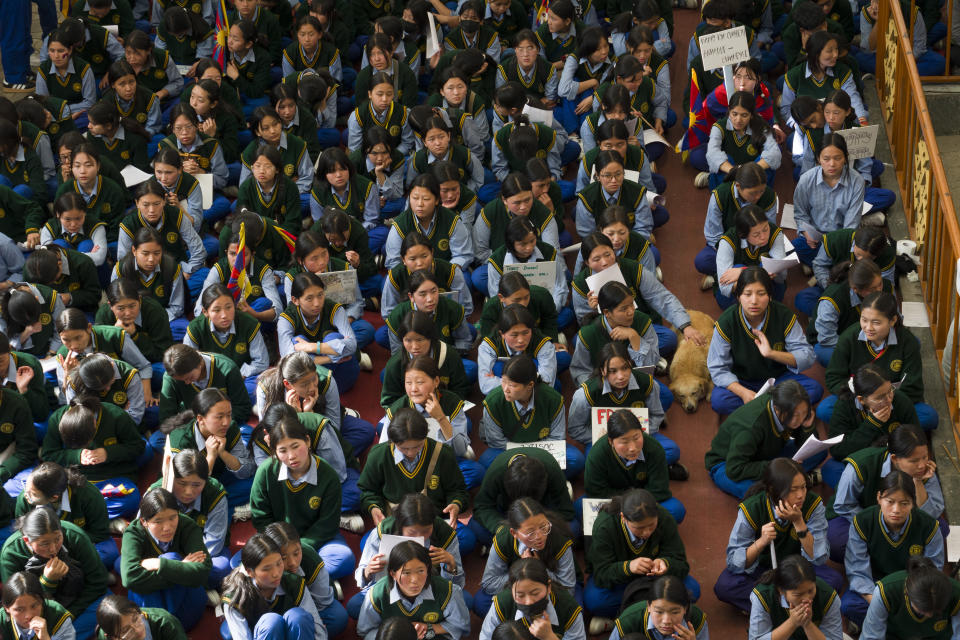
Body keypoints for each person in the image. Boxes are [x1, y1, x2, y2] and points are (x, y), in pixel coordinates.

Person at [715, 458, 842, 613]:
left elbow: (819, 557)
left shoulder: (813, 506)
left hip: (798, 570)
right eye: (793, 490)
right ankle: (790, 608)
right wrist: (761, 542)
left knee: (832, 581)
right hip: (763, 570)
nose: (801, 495)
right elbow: (733, 561)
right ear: (774, 491)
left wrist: (799, 523)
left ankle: (767, 607)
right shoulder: (752, 508)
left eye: (803, 487)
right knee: (726, 585)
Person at [249, 410, 355, 580]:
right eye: (282, 450)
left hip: (317, 541)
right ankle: (314, 580)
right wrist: (282, 550)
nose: (291, 456)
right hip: (278, 544)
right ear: (274, 451)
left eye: (296, 446)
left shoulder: (327, 475)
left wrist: (298, 550)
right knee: (240, 562)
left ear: (307, 441)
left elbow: (327, 524)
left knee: (343, 558)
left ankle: (289, 580)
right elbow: (261, 517)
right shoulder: (266, 471)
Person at [707, 266, 822, 415]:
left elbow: (807, 355)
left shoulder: (784, 315)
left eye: (761, 294)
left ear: (770, 296)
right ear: (738, 297)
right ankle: (778, 410)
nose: (754, 301)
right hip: (743, 381)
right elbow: (717, 368)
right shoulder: (726, 322)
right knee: (719, 400)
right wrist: (742, 393)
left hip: (779, 379)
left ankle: (758, 411)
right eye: (747, 294)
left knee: (813, 389)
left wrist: (772, 353)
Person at [358, 408, 472, 551]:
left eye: (418, 446)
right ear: (392, 442)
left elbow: (457, 490)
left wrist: (455, 504)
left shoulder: (442, 453)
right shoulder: (379, 455)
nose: (411, 453)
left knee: (467, 539)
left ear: (425, 436)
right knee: (366, 544)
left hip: (431, 522)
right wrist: (374, 507)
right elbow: (368, 491)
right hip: (396, 522)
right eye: (404, 448)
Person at [841, 470, 944, 627]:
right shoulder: (862, 522)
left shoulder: (929, 526)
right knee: (850, 605)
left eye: (904, 503)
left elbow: (933, 570)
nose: (896, 510)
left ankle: (888, 628)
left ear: (913, 503)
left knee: (937, 607)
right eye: (890, 501)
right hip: (875, 584)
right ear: (879, 498)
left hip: (913, 588)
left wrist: (912, 599)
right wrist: (877, 601)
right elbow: (857, 570)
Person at [822, 291, 936, 429]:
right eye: (864, 320)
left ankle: (867, 427)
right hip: (859, 401)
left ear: (893, 320)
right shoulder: (848, 338)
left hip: (892, 403)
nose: (868, 328)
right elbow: (834, 378)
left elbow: (913, 387)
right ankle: (887, 428)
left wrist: (884, 403)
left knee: (929, 416)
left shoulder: (908, 342)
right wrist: (865, 401)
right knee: (825, 409)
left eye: (876, 322)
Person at [828, 424, 943, 562]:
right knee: (836, 543)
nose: (922, 465)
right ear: (894, 459)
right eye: (914, 461)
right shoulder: (861, 465)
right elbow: (843, 505)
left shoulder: (923, 470)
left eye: (925, 457)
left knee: (940, 529)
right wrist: (877, 525)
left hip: (902, 517)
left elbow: (930, 515)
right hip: (860, 515)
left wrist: (918, 482)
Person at [585, 490, 697, 626]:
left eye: (651, 525)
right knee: (595, 601)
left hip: (656, 582)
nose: (647, 532)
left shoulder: (664, 518)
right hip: (622, 583)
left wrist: (665, 563)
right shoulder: (606, 526)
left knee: (693, 590)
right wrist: (628, 567)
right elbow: (601, 573)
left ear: (657, 515)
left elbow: (681, 563)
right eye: (639, 528)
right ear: (623, 518)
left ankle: (625, 616)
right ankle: (649, 615)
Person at [0, 506, 109, 640]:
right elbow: (16, 601)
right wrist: (47, 582)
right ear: (27, 540)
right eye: (44, 544)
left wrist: (67, 615)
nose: (53, 549)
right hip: (35, 610)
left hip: (79, 603)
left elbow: (97, 583)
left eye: (57, 539)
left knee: (108, 610)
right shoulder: (12, 553)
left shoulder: (74, 536)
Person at [351, 493, 466, 618]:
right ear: (401, 524)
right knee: (356, 606)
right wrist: (368, 571)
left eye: (426, 531)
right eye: (412, 532)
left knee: (464, 601)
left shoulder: (444, 533)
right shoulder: (384, 530)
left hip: (428, 590)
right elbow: (361, 577)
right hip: (390, 590)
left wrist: (451, 565)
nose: (419, 537)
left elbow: (456, 587)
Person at [705, 381, 817, 499]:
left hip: (767, 454)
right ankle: (791, 480)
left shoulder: (787, 409)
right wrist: (778, 467)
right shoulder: (750, 428)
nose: (800, 419)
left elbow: (803, 443)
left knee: (816, 452)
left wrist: (807, 427)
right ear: (777, 409)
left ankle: (787, 480)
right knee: (762, 496)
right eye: (795, 415)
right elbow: (735, 469)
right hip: (727, 464)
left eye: (804, 413)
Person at [478, 354, 585, 478]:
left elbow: (557, 438)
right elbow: (496, 442)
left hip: (544, 449)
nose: (506, 389)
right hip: (507, 449)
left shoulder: (553, 399)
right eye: (503, 381)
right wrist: (522, 457)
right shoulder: (493, 402)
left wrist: (531, 456)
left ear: (530, 385)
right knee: (486, 463)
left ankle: (538, 481)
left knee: (576, 459)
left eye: (512, 385)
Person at [119, 489, 211, 631]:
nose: (167, 527)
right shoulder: (134, 533)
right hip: (151, 603)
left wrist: (160, 564)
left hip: (186, 606)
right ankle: (165, 628)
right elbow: (129, 579)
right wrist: (180, 567)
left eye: (172, 518)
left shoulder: (187, 526)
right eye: (158, 521)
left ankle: (164, 629)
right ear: (144, 522)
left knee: (169, 558)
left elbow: (203, 571)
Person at [384, 356, 482, 488]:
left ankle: (428, 491)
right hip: (410, 464)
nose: (413, 389)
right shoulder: (397, 409)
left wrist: (441, 418)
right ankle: (437, 492)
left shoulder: (452, 403)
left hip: (443, 461)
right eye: (408, 383)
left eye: (419, 382)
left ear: (436, 381)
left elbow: (460, 450)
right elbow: (386, 453)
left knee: (476, 472)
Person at [41, 396, 144, 519]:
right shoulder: (58, 418)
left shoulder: (115, 415)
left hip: (112, 476)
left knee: (131, 499)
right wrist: (76, 456)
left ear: (95, 424)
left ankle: (81, 517)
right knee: (44, 493)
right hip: (75, 479)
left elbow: (138, 447)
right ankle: (99, 519)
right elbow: (48, 455)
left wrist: (107, 453)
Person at [256, 351, 375, 456]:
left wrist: (310, 415)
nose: (312, 387)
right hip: (288, 443)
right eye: (304, 384)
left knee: (366, 431)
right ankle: (332, 458)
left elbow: (334, 428)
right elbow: (270, 433)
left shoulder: (326, 380)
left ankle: (321, 459)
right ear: (287, 384)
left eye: (314, 379)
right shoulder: (265, 389)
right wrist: (296, 416)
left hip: (322, 422)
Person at [475, 498, 577, 617]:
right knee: (481, 604)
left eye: (543, 526)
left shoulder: (559, 539)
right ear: (514, 533)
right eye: (530, 532)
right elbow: (489, 582)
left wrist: (540, 571)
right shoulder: (503, 539)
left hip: (550, 590)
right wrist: (522, 575)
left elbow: (568, 589)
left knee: (573, 608)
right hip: (519, 592)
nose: (540, 536)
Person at [582, 406, 684, 522]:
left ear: (642, 432)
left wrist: (636, 505)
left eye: (636, 438)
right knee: (580, 509)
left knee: (676, 510)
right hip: (613, 503)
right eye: (624, 441)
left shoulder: (654, 449)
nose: (633, 448)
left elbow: (659, 490)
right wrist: (627, 503)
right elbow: (596, 492)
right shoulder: (597, 454)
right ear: (611, 441)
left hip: (644, 502)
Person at [823, 363, 918, 484]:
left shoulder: (900, 400)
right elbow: (837, 450)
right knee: (831, 469)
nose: (888, 400)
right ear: (861, 399)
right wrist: (872, 424)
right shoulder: (844, 406)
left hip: (893, 462)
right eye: (880, 398)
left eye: (890, 391)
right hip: (861, 461)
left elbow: (915, 438)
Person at [356, 541, 471, 640]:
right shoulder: (377, 594)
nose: (415, 580)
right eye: (406, 573)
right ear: (393, 574)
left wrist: (429, 628)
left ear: (428, 569)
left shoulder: (447, 591)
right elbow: (366, 631)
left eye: (421, 571)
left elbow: (461, 626)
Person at [220, 533, 327, 640]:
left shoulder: (294, 582)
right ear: (249, 572)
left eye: (279, 563)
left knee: (298, 617)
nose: (276, 573)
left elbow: (319, 630)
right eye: (266, 569)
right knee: (271, 622)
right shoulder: (234, 597)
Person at [161, 387, 254, 508]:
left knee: (256, 483)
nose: (226, 422)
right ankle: (220, 504)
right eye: (219, 417)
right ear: (200, 419)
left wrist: (223, 453)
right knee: (189, 501)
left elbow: (248, 470)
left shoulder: (230, 428)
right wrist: (210, 457)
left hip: (221, 477)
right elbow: (187, 490)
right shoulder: (180, 440)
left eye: (229, 415)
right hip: (192, 488)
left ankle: (218, 503)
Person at [148, 450, 230, 585]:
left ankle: (173, 584)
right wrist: (180, 565)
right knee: (166, 560)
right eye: (182, 483)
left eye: (196, 485)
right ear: (172, 478)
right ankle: (195, 588)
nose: (188, 492)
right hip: (166, 551)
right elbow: (143, 533)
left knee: (221, 568)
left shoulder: (215, 493)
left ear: (206, 480)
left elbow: (214, 542)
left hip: (202, 555)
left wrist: (185, 565)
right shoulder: (156, 492)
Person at [15, 462, 113, 568]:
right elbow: (23, 534)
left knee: (109, 553)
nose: (26, 495)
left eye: (33, 494)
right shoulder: (24, 499)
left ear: (54, 497)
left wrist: (61, 541)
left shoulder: (89, 496)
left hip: (78, 544)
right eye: (26, 488)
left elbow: (100, 534)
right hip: (43, 547)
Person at [277, 272, 360, 394]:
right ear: (295, 300)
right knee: (296, 342)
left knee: (333, 337)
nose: (317, 303)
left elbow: (352, 345)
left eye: (320, 295)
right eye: (309, 298)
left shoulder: (335, 309)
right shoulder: (286, 319)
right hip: (308, 382)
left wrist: (312, 347)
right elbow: (288, 358)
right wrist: (330, 358)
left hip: (342, 375)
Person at [790, 133, 866, 266]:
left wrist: (834, 246)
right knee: (796, 246)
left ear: (845, 157)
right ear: (818, 159)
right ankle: (833, 266)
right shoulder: (806, 180)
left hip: (843, 239)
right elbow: (800, 214)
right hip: (817, 238)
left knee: (862, 250)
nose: (832, 164)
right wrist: (806, 233)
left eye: (838, 158)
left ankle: (818, 266)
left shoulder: (856, 181)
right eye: (826, 158)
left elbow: (850, 226)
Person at [262, 521, 347, 637]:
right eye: (283, 558)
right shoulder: (262, 570)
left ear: (300, 545)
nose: (292, 563)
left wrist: (311, 623)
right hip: (272, 619)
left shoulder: (310, 560)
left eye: (296, 553)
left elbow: (322, 604)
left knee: (338, 617)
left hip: (307, 610)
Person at [479, 558, 585, 640]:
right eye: (520, 595)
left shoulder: (569, 608)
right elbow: (486, 637)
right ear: (511, 590)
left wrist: (550, 637)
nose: (529, 601)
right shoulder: (502, 603)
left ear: (548, 587)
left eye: (535, 593)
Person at [806, 259, 887, 366]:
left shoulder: (883, 285)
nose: (879, 290)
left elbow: (895, 316)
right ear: (856, 289)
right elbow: (827, 338)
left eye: (880, 284)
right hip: (832, 339)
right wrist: (862, 349)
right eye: (872, 289)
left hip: (865, 332)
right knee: (854, 362)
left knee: (909, 343)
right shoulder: (832, 300)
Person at [860, 556, 960, 640]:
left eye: (935, 611)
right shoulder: (885, 592)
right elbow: (872, 637)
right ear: (907, 593)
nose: (929, 615)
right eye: (923, 610)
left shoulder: (956, 594)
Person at [747, 555, 842, 640]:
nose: (807, 599)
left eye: (811, 591)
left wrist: (807, 624)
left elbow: (834, 637)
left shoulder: (828, 596)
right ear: (781, 591)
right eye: (798, 594)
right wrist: (792, 623)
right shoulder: (762, 596)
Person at [158, 344, 252, 426]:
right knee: (157, 441)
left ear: (200, 363)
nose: (186, 383)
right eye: (182, 380)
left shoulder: (227, 369)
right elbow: (166, 417)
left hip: (224, 424)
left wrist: (213, 422)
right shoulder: (171, 377)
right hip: (191, 427)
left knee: (244, 439)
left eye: (190, 377)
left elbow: (243, 408)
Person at [608, 575, 710, 640]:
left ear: (685, 608)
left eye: (674, 612)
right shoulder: (628, 622)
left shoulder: (696, 619)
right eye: (659, 612)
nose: (666, 621)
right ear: (648, 606)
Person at [0, 571, 75, 640]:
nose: (29, 615)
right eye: (19, 609)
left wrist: (45, 638)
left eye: (34, 606)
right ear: (7, 608)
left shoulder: (58, 615)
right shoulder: (1, 620)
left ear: (42, 600)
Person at [94, 594, 187, 640]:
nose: (138, 630)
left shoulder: (165, 623)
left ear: (138, 610)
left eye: (136, 619)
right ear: (114, 638)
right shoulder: (104, 635)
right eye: (126, 630)